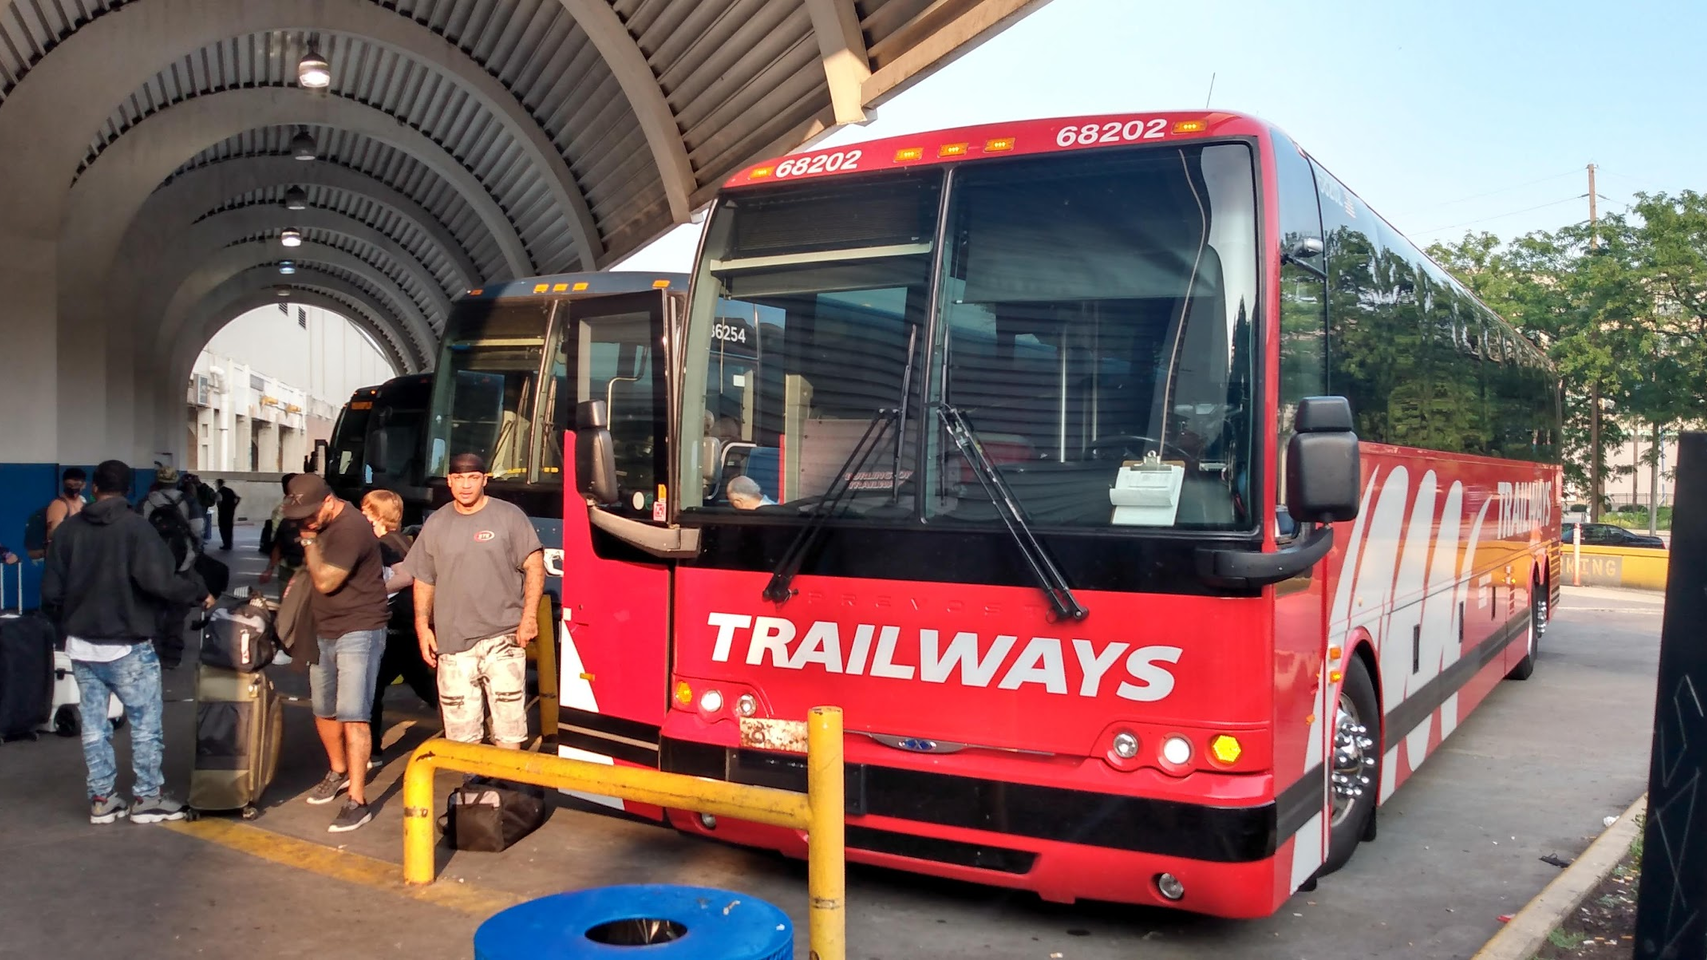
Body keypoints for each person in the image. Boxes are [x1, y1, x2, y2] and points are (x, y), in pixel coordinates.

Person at [40, 460, 213, 824]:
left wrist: (73, 621)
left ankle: (102, 799)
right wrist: (198, 593)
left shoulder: (69, 532)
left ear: (95, 487)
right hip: (129, 645)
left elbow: (51, 593)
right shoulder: (137, 529)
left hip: (82, 647)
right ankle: (147, 798)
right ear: (129, 488)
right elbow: (161, 583)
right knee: (145, 723)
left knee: (94, 725)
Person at [404, 453, 543, 751]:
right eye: (459, 479)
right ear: (450, 481)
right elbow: (424, 579)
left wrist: (529, 617)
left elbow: (535, 564)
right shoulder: (437, 523)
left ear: (484, 480)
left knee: (509, 730)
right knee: (461, 736)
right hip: (453, 644)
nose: (466, 485)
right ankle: (473, 790)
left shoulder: (509, 516)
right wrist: (422, 626)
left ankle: (508, 789)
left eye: (473, 478)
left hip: (503, 638)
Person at [279, 473, 391, 832]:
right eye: (300, 518)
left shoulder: (351, 529)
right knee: (323, 708)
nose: (305, 523)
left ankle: (357, 799)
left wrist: (309, 541)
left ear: (329, 502)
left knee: (353, 713)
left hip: (360, 627)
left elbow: (327, 580)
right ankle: (338, 769)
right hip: (322, 627)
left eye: (311, 516)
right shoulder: (315, 520)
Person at [360, 490, 437, 766]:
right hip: (405, 627)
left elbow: (405, 576)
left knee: (373, 687)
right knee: (423, 683)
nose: (361, 516)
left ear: (377, 516)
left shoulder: (386, 543)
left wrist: (371, 593)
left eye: (365, 511)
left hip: (396, 626)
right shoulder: (402, 540)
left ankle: (372, 750)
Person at [140, 466, 203, 667]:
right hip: (183, 563)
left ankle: (155, 652)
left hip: (152, 564)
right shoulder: (188, 501)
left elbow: (136, 530)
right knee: (177, 613)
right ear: (177, 481)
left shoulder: (146, 501)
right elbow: (198, 528)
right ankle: (173, 656)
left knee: (154, 610)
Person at [257, 473, 305, 592]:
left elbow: (277, 542)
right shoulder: (312, 507)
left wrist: (270, 569)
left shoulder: (280, 510)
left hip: (288, 565)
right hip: (308, 566)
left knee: (286, 605)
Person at [43, 467, 89, 550]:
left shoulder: (83, 502)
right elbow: (53, 533)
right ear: (64, 484)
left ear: (84, 485)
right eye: (69, 485)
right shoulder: (59, 504)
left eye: (76, 485)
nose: (72, 488)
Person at [215, 479, 240, 551]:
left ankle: (225, 544)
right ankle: (229, 544)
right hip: (230, 512)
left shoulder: (219, 492)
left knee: (223, 528)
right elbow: (238, 498)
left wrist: (220, 508)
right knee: (229, 528)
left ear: (218, 484)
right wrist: (234, 506)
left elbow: (218, 503)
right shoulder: (229, 490)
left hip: (223, 513)